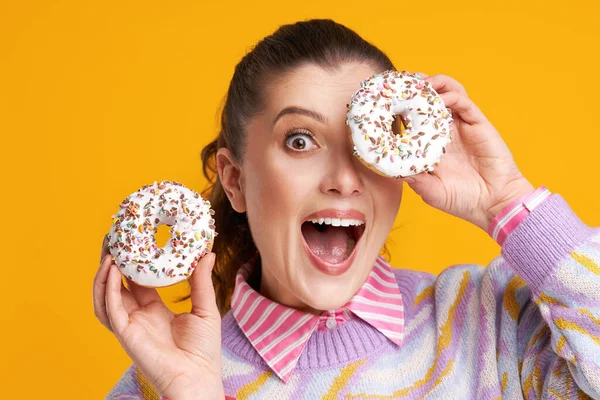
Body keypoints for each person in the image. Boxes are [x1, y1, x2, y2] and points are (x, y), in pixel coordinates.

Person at [94, 19, 600, 399]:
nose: (342, 179)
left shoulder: (492, 322)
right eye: (299, 140)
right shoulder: (164, 377)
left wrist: (506, 199)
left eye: (367, 142)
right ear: (235, 180)